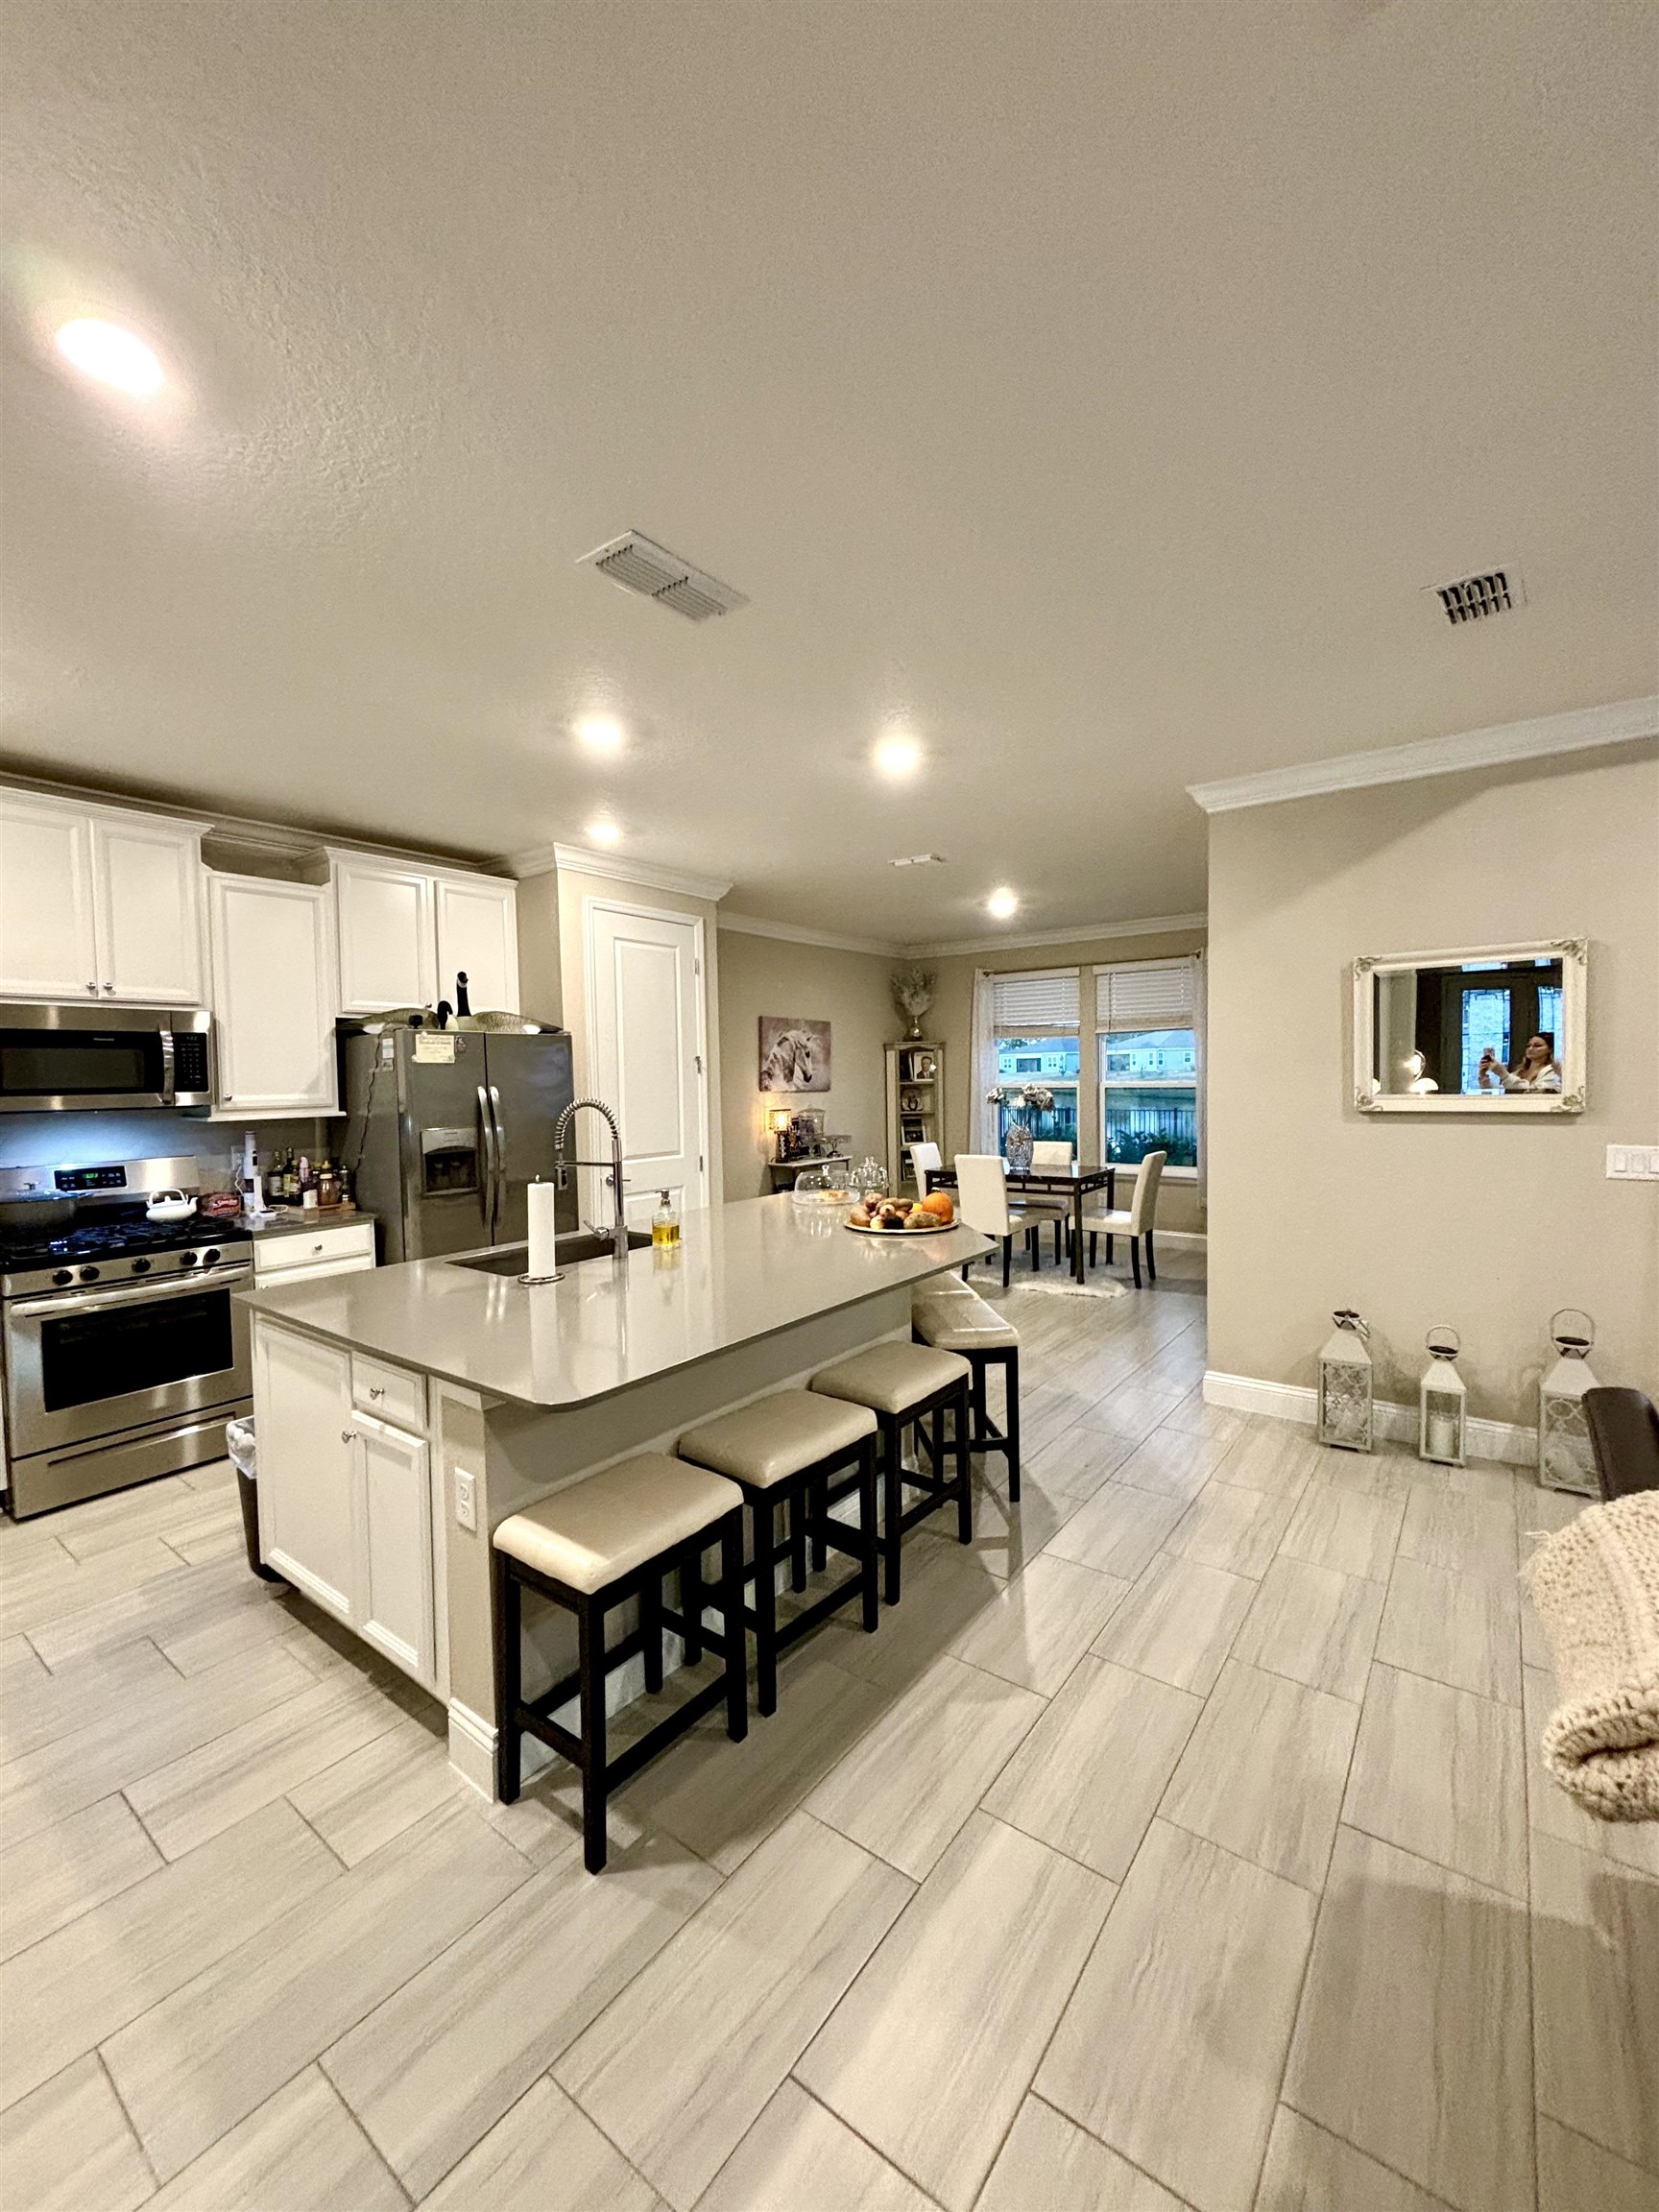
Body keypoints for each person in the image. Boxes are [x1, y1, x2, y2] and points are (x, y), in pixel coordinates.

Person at [1478, 1033, 1562, 1093]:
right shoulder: (1519, 1072)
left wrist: (1503, 1074)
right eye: (1528, 1046)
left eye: (1537, 1046)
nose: (1531, 1048)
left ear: (1550, 1049)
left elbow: (1533, 1093)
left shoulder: (1552, 1071)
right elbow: (1503, 1093)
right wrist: (1483, 1076)